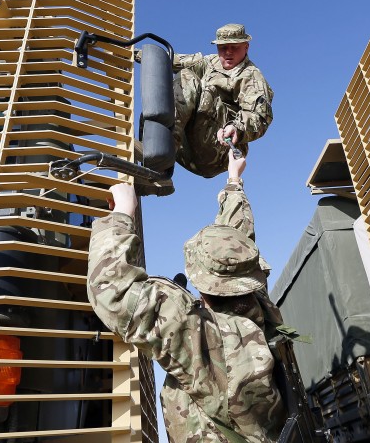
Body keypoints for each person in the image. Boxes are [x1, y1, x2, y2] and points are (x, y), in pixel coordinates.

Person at [87, 151, 288, 442]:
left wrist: (121, 216)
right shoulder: (254, 308)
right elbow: (237, 240)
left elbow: (112, 291)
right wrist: (234, 179)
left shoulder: (211, 340)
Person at [142, 23, 274, 178]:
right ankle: (153, 148)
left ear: (246, 47)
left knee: (189, 79)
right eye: (223, 47)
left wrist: (236, 127)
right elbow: (173, 60)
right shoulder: (210, 63)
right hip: (189, 148)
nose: (228, 52)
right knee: (179, 78)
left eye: (234, 47)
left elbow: (260, 117)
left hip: (220, 151)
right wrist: (131, 53)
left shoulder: (251, 77)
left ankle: (163, 151)